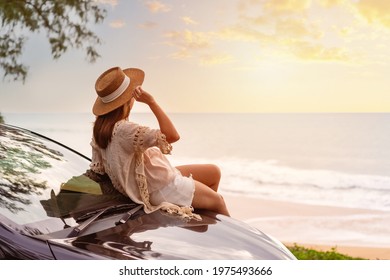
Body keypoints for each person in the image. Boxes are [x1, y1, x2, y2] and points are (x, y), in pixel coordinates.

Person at [90, 66, 230, 221]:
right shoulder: (124, 130)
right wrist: (151, 102)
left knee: (214, 172)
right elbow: (172, 135)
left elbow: (100, 170)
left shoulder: (101, 128)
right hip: (161, 187)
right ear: (128, 99)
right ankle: (233, 243)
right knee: (218, 201)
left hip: (155, 176)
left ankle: (200, 215)